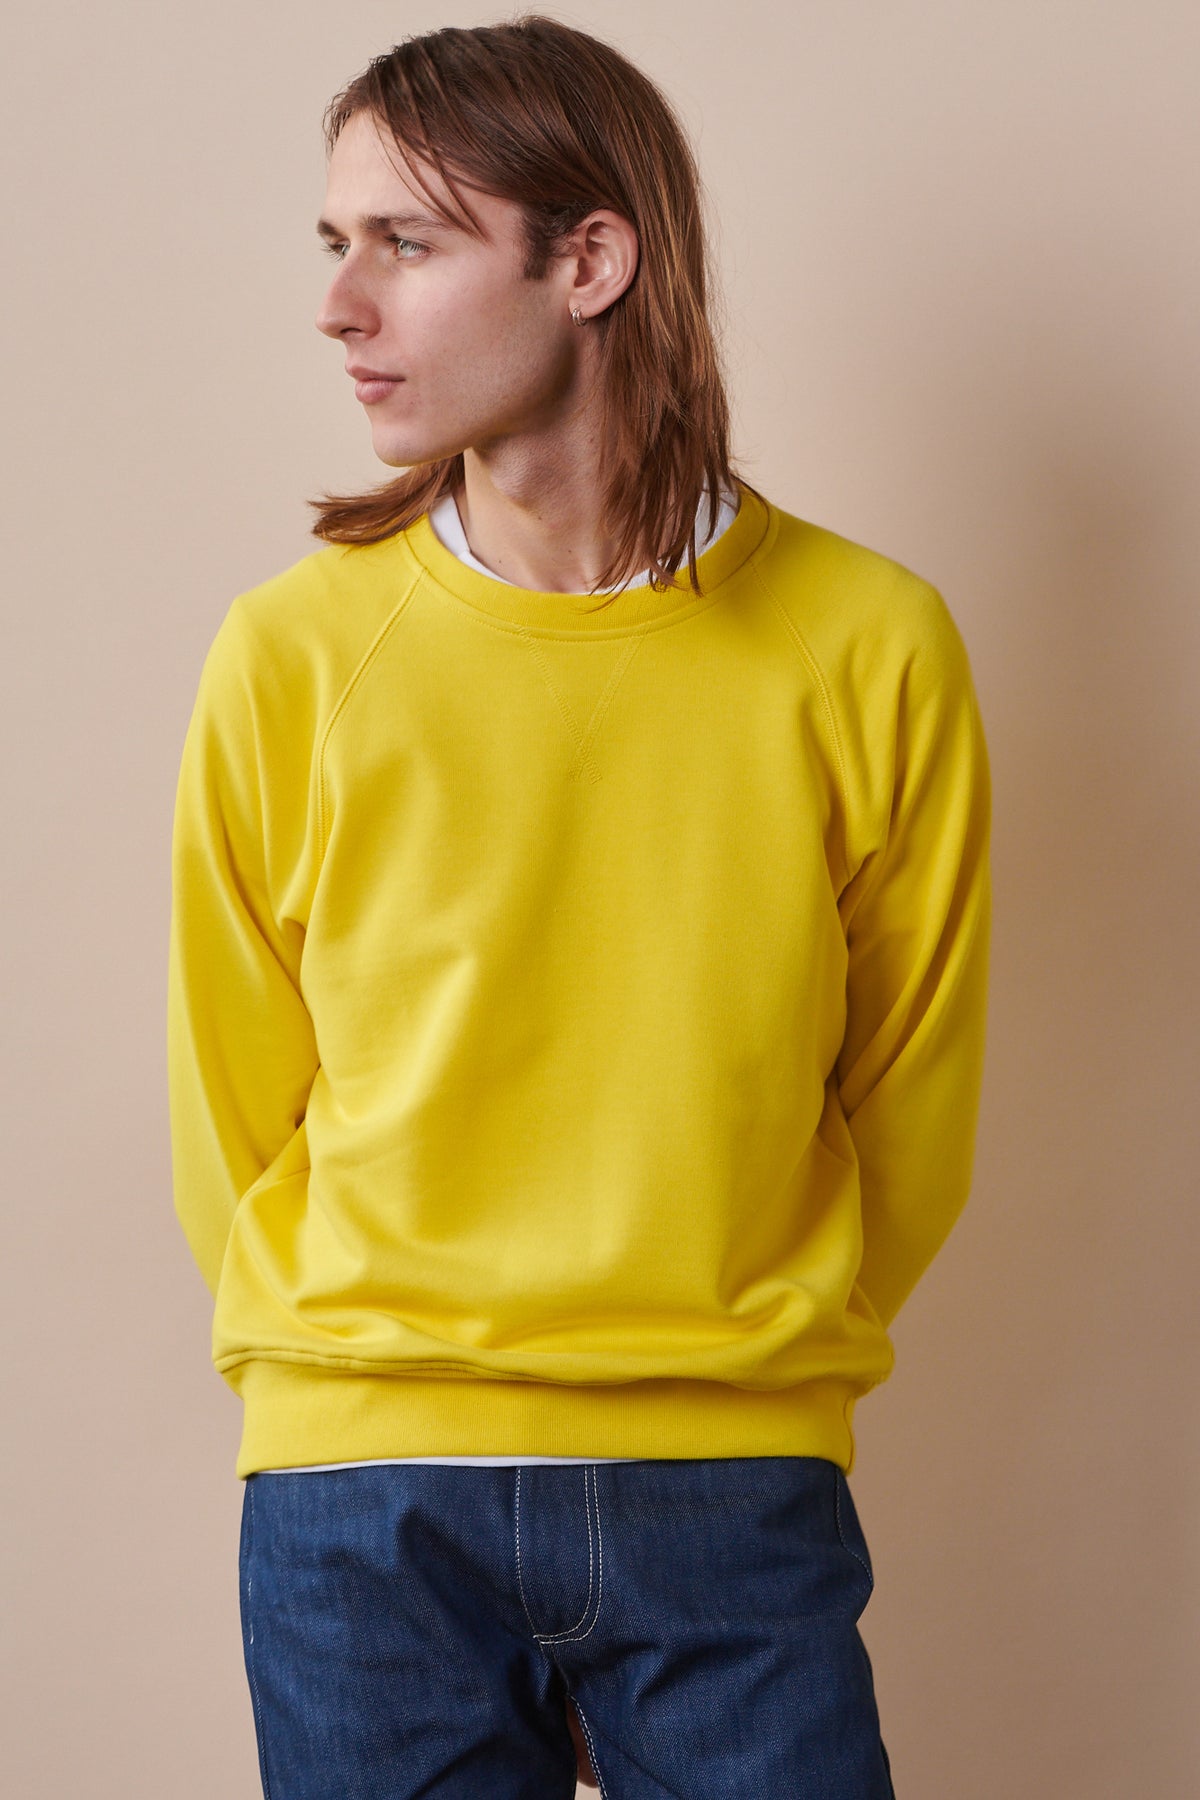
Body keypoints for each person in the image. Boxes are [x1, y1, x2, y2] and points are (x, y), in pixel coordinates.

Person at [166, 15, 991, 1798]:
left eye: (408, 240)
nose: (339, 304)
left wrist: (742, 1361)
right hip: (363, 1507)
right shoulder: (291, 658)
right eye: (335, 242)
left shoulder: (868, 646)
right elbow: (232, 1106)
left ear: (590, 259)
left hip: (734, 1491)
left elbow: (912, 1092)